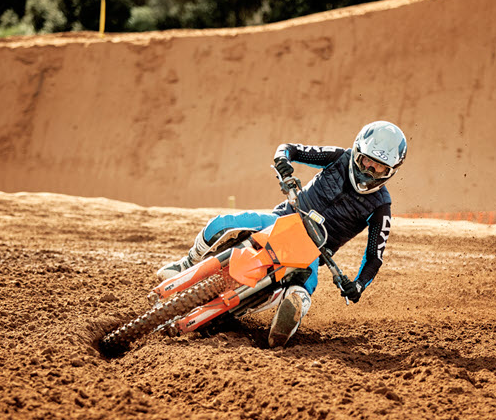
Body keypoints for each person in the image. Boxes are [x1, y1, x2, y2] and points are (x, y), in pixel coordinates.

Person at [157, 120, 408, 347]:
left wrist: (358, 285)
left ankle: (284, 322)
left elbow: (375, 256)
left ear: (391, 171)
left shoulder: (380, 206)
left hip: (313, 251)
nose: (369, 170)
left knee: (302, 291)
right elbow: (288, 148)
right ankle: (187, 263)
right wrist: (284, 163)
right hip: (282, 218)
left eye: (379, 167)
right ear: (357, 153)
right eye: (367, 161)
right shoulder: (338, 157)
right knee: (223, 223)